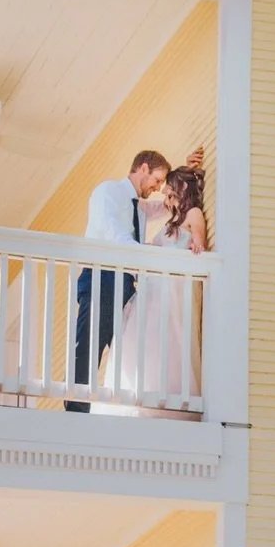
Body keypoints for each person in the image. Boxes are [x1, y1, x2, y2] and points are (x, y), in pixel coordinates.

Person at [63, 150, 169, 412]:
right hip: (102, 276)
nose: (157, 187)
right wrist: (142, 255)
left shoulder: (140, 206)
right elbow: (114, 232)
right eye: (157, 179)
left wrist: (189, 172)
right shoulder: (108, 192)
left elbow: (169, 203)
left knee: (125, 351)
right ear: (143, 168)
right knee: (89, 345)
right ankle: (76, 410)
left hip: (124, 284)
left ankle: (126, 410)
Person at [120, 165, 208, 408]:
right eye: (166, 196)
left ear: (183, 190)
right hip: (156, 284)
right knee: (146, 338)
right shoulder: (172, 221)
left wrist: (197, 245)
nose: (168, 201)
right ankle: (146, 393)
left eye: (171, 194)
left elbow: (199, 240)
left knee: (171, 336)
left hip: (175, 284)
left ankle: (172, 396)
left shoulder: (194, 214)